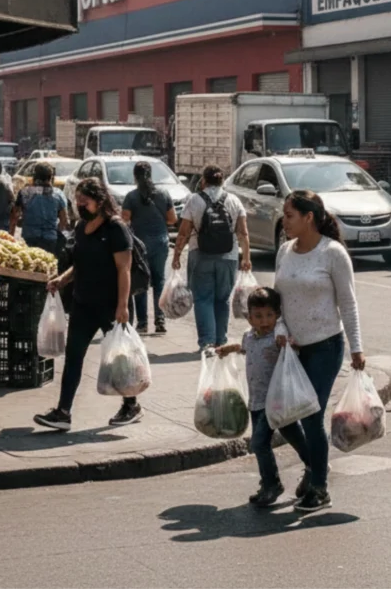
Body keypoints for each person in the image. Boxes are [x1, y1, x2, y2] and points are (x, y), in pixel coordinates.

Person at [274, 190, 364, 513]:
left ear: (308, 218)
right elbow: (277, 301)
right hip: (292, 352)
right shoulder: (285, 251)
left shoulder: (333, 254)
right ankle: (314, 465)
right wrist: (281, 331)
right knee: (283, 415)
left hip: (326, 347)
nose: (284, 221)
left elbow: (348, 303)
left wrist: (357, 347)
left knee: (312, 415)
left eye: (289, 215)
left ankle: (320, 488)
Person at [34, 178, 143, 431]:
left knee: (120, 358)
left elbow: (124, 269)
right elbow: (80, 263)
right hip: (83, 304)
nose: (80, 205)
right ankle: (63, 412)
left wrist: (123, 306)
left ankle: (131, 404)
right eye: (77, 201)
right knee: (73, 358)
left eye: (85, 201)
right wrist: (61, 280)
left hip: (111, 306)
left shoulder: (116, 228)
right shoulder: (82, 226)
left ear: (100, 200)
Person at [215, 287, 309, 508]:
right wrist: (229, 349)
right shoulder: (249, 336)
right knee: (292, 435)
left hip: (277, 401)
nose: (264, 321)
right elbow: (245, 348)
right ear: (249, 317)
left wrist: (288, 343)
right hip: (256, 402)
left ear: (277, 314)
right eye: (258, 316)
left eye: (269, 315)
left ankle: (273, 483)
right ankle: (310, 465)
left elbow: (294, 347)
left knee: (259, 443)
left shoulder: (278, 337)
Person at [172, 165, 251, 350]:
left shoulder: (195, 200)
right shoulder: (234, 200)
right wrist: (246, 257)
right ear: (223, 181)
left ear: (203, 181)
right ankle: (220, 340)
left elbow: (183, 233)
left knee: (203, 298)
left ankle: (206, 342)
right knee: (222, 299)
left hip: (200, 254)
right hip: (229, 256)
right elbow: (243, 233)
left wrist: (176, 256)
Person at [122, 161, 177, 334]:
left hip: (139, 244)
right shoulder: (163, 193)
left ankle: (142, 323)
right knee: (159, 280)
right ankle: (160, 320)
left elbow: (125, 219)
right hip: (161, 242)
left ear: (135, 176)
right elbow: (173, 219)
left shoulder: (131, 197)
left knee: (141, 280)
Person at [11, 162, 69, 257]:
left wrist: (11, 235)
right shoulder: (58, 194)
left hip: (29, 238)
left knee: (31, 265)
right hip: (50, 239)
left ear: (34, 176)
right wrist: (55, 230)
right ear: (51, 177)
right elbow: (64, 220)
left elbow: (14, 217)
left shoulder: (25, 193)